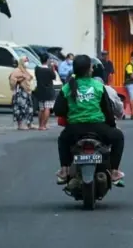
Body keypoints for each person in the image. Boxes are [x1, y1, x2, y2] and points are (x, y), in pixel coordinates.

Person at [53, 55, 125, 185]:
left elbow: (58, 110)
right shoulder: (98, 86)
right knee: (118, 137)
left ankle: (64, 170)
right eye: (91, 67)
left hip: (74, 130)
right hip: (97, 128)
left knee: (62, 140)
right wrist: (112, 127)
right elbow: (107, 110)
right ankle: (114, 172)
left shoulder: (67, 88)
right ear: (89, 70)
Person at [9, 56, 36, 130]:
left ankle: (29, 123)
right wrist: (21, 77)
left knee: (29, 108)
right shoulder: (17, 71)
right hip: (20, 92)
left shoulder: (25, 70)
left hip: (27, 91)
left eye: (27, 61)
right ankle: (20, 125)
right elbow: (12, 80)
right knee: (20, 108)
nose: (26, 62)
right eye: (25, 61)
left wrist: (25, 76)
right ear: (21, 62)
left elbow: (30, 77)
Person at [34, 53, 56, 130]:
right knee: (47, 108)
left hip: (40, 90)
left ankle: (40, 125)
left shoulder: (37, 69)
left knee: (41, 108)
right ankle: (44, 125)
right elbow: (54, 77)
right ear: (47, 60)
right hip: (48, 91)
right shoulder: (49, 70)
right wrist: (53, 67)